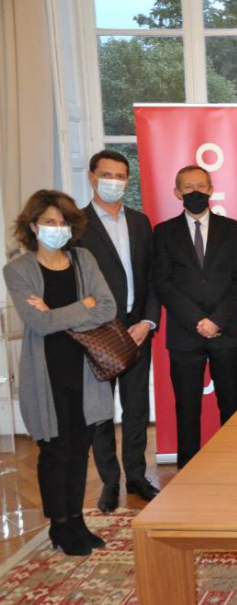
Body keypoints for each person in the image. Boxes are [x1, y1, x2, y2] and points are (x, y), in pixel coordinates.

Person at [3, 190, 117, 555]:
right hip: (46, 373)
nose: (58, 228)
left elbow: (108, 308)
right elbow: (38, 323)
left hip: (85, 369)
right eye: (50, 222)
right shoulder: (18, 270)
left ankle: (77, 521)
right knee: (54, 449)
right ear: (34, 227)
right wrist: (84, 305)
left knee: (79, 448)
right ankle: (60, 525)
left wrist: (57, 312)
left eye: (63, 222)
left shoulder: (83, 259)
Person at [77, 149, 161, 512]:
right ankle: (110, 483)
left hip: (137, 329)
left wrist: (147, 321)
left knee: (136, 408)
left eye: (120, 176)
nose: (114, 182)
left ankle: (137, 477)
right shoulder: (76, 225)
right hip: (97, 333)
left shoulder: (141, 222)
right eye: (106, 175)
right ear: (92, 177)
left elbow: (153, 276)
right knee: (100, 413)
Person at [152, 166, 237, 468]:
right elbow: (163, 282)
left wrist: (217, 320)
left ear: (210, 189)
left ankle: (234, 464)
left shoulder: (231, 228)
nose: (195, 191)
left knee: (231, 404)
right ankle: (187, 468)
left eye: (201, 186)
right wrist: (197, 320)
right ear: (177, 192)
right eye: (188, 187)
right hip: (185, 334)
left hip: (226, 331)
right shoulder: (164, 231)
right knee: (187, 407)